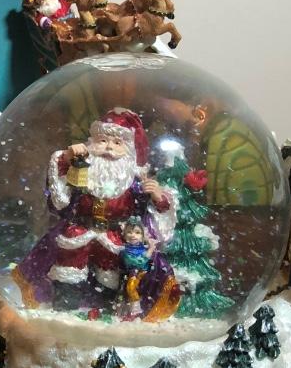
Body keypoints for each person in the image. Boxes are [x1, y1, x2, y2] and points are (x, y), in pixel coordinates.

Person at [15, 108, 180, 321]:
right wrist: (66, 158)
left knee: (110, 275)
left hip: (114, 237)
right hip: (78, 231)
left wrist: (157, 196)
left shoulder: (133, 182)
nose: (109, 147)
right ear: (92, 142)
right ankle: (65, 307)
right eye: (102, 140)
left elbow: (155, 211)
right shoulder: (82, 170)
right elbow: (59, 199)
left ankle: (106, 308)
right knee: (68, 269)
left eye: (118, 143)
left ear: (129, 150)